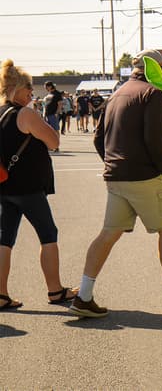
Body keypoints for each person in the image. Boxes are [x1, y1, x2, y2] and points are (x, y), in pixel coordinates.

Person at [69, 49, 162, 318]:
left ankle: (83, 295)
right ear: (157, 69)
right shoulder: (153, 94)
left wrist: (114, 163)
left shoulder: (118, 93)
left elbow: (97, 138)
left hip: (116, 176)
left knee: (107, 234)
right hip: (146, 177)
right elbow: (158, 145)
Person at [0, 59, 77, 310]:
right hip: (28, 187)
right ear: (17, 89)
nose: (32, 94)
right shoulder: (25, 113)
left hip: (4, 186)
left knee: (5, 239)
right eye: (29, 90)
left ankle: (1, 294)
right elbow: (54, 141)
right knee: (48, 235)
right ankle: (55, 290)